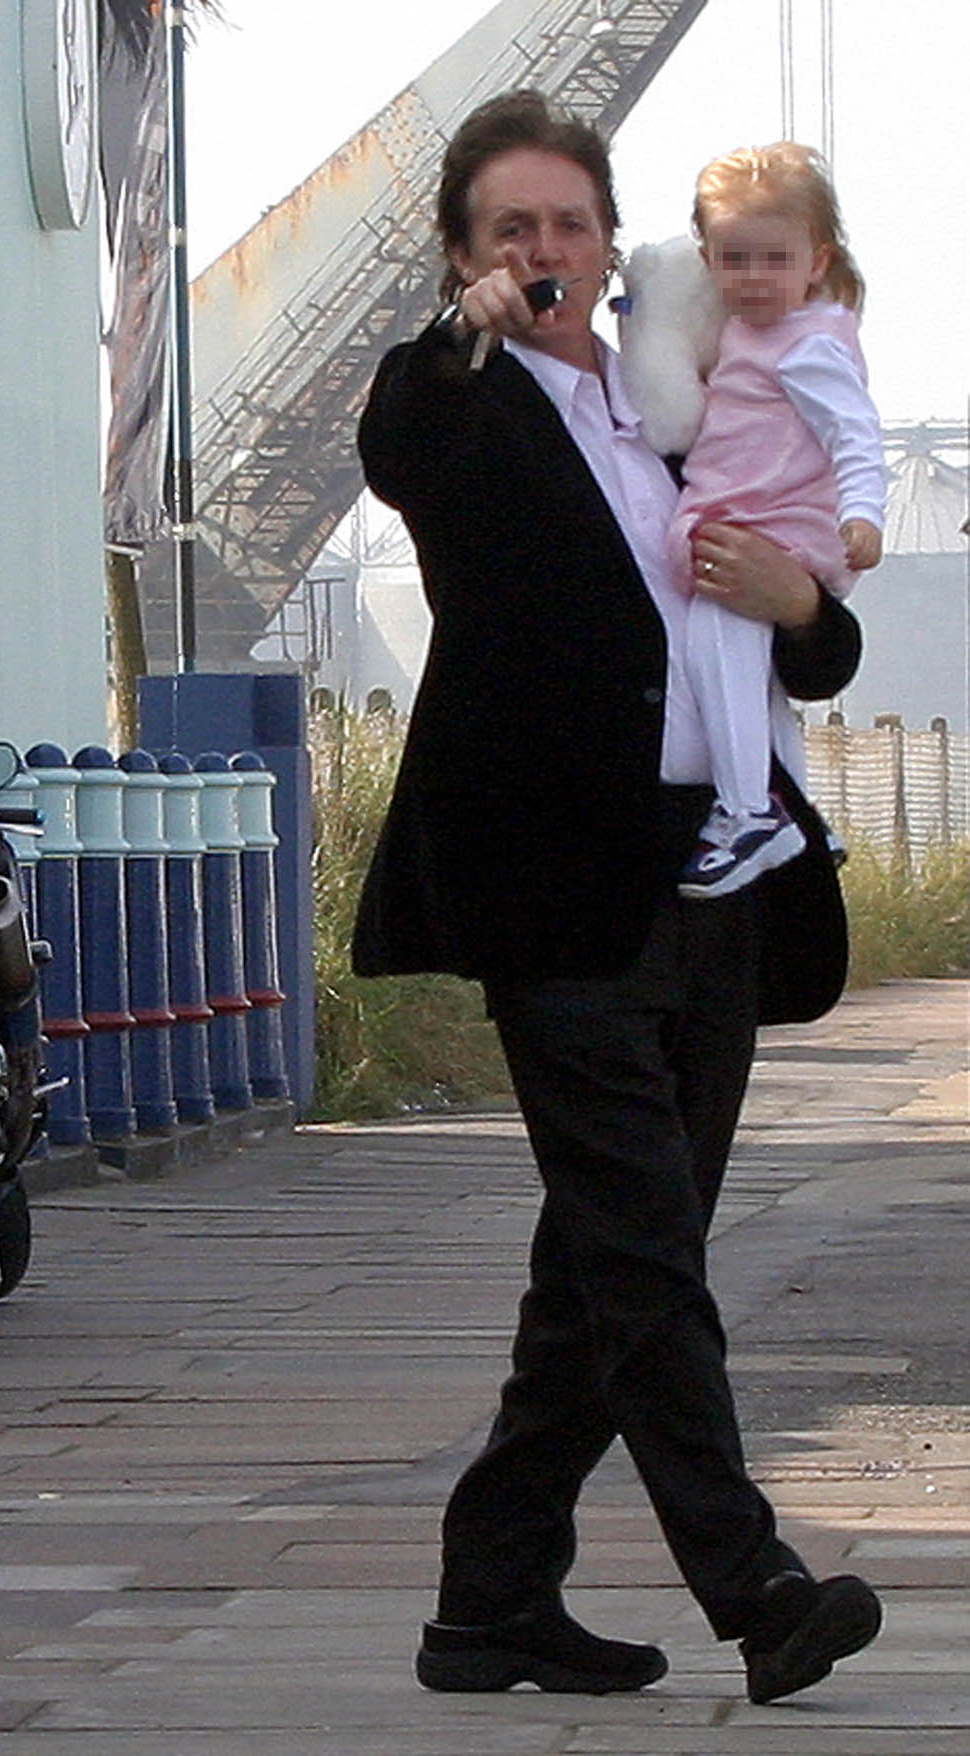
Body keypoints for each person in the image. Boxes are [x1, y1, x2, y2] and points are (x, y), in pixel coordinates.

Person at [350, 90, 880, 1706]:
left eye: (571, 222)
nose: (548, 250)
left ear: (611, 236)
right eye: (511, 228)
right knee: (647, 1255)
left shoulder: (679, 394)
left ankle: (491, 1596)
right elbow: (396, 442)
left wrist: (802, 600)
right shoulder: (467, 405)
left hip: (715, 880)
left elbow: (809, 630)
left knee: (605, 1263)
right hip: (556, 894)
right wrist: (466, 334)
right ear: (465, 255)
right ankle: (757, 1584)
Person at [657, 143, 883, 897]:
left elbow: (855, 432)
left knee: (715, 647)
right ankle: (800, 810)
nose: (752, 279)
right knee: (758, 688)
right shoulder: (755, 332)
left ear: (816, 261)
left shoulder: (809, 343)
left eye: (773, 260)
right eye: (734, 259)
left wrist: (863, 514)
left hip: (769, 526)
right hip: (758, 517)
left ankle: (749, 810)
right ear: (708, 258)